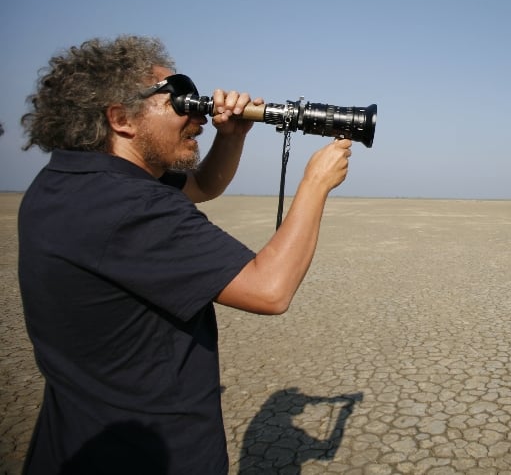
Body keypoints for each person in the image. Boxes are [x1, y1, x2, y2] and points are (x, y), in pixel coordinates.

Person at [17, 35, 354, 474]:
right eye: (178, 99)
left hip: (75, 444)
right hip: (151, 457)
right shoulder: (130, 207)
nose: (196, 114)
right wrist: (315, 183)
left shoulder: (65, 182)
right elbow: (270, 290)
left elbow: (203, 187)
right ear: (121, 118)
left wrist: (231, 137)